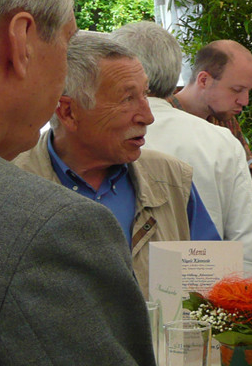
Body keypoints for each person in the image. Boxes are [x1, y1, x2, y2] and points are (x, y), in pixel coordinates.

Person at [0, 0, 155, 364]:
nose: (146, 115)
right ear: (21, 41)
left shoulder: (169, 177)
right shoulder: (50, 227)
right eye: (67, 42)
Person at [14, 33, 221, 298]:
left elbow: (211, 291)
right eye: (127, 99)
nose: (147, 116)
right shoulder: (13, 186)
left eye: (144, 94)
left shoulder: (171, 179)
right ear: (68, 112)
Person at [111, 22, 252, 276]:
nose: (245, 101)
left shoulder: (99, 139)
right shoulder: (221, 141)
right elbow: (248, 248)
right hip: (201, 286)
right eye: (237, 90)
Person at [171, 40, 252, 203]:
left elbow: (250, 169)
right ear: (204, 80)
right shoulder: (160, 119)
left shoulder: (224, 118)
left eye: (249, 91)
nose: (245, 101)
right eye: (237, 90)